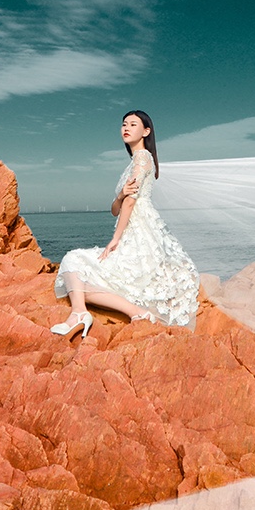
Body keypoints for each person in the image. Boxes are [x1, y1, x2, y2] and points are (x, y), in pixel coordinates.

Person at [51, 110, 200, 339]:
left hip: (139, 233)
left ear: (146, 131)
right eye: (123, 124)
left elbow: (131, 204)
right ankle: (86, 312)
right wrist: (119, 195)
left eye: (133, 124)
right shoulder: (132, 163)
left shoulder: (142, 158)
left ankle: (87, 313)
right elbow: (116, 208)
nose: (126, 128)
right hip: (130, 229)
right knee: (78, 280)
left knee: (74, 263)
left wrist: (116, 239)